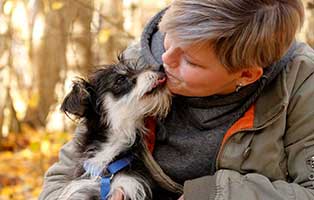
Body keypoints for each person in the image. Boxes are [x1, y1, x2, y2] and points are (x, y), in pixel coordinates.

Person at [39, 0, 314, 199]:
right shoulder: (136, 65)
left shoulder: (302, 86)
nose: (164, 62)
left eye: (190, 61)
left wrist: (214, 193)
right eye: (168, 38)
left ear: (246, 74)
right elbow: (61, 178)